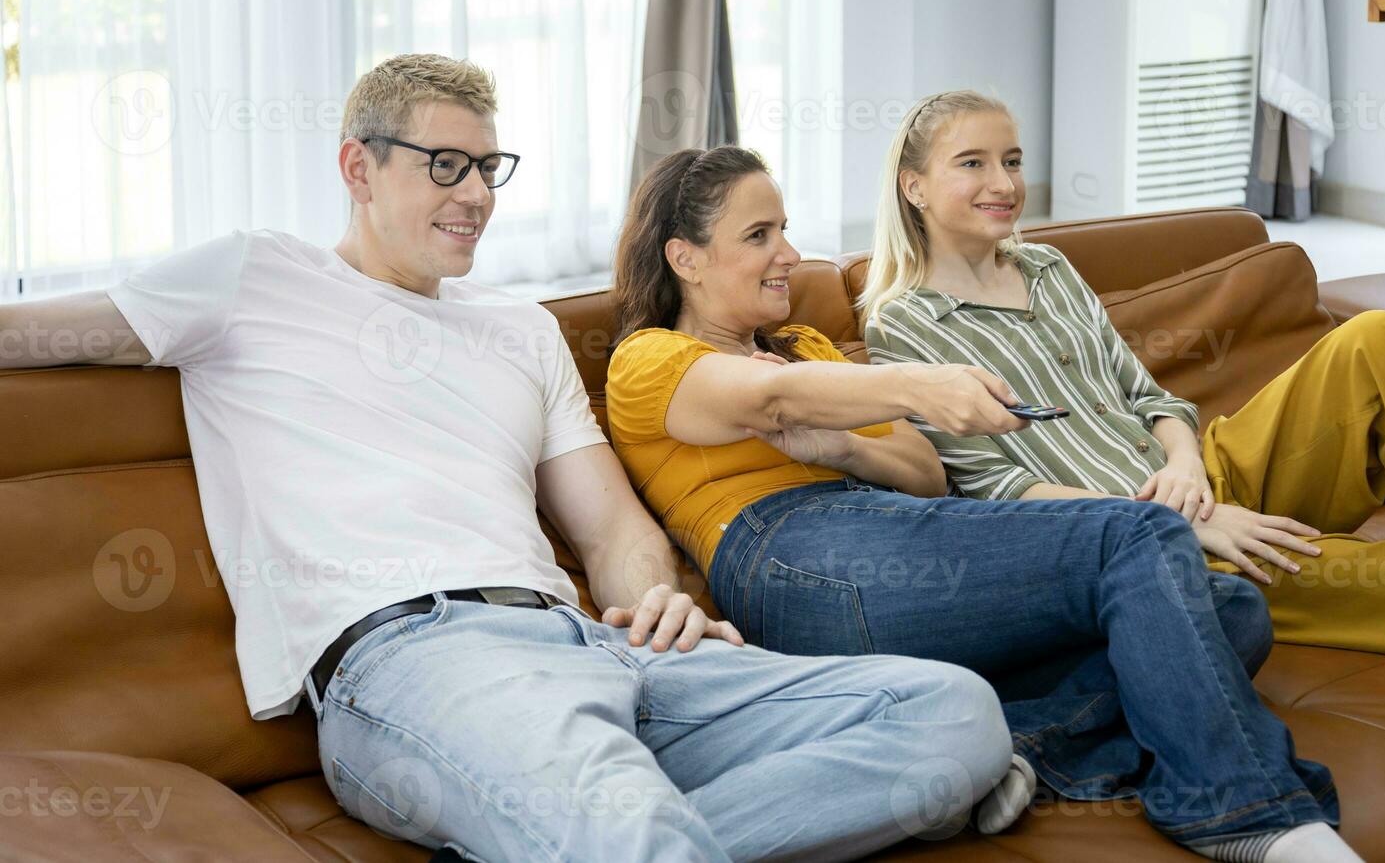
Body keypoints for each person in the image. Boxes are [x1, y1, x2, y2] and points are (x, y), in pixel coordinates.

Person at [0, 55, 1023, 862]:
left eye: (489, 166)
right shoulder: (253, 279)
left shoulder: (519, 327)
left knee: (953, 719)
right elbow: (39, 332)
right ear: (359, 168)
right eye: (445, 164)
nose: (476, 193)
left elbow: (613, 528)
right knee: (628, 827)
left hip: (599, 649)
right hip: (414, 662)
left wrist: (656, 598)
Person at [605, 145, 1359, 861]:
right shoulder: (651, 360)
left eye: (786, 231)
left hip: (899, 538)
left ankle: (1008, 752)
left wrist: (839, 448)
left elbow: (925, 473)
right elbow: (764, 398)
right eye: (759, 235)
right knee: (1137, 535)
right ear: (686, 258)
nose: (789, 256)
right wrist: (922, 382)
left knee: (1228, 608)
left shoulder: (808, 345)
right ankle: (1250, 812)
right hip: (792, 566)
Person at [861, 89, 1385, 666]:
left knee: (1378, 337)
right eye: (973, 163)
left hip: (1203, 473)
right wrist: (1180, 521)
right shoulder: (905, 325)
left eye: (1012, 161)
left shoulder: (1046, 266)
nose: (1005, 183)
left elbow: (1148, 396)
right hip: (1138, 538)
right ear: (914, 186)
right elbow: (994, 487)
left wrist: (1186, 468)